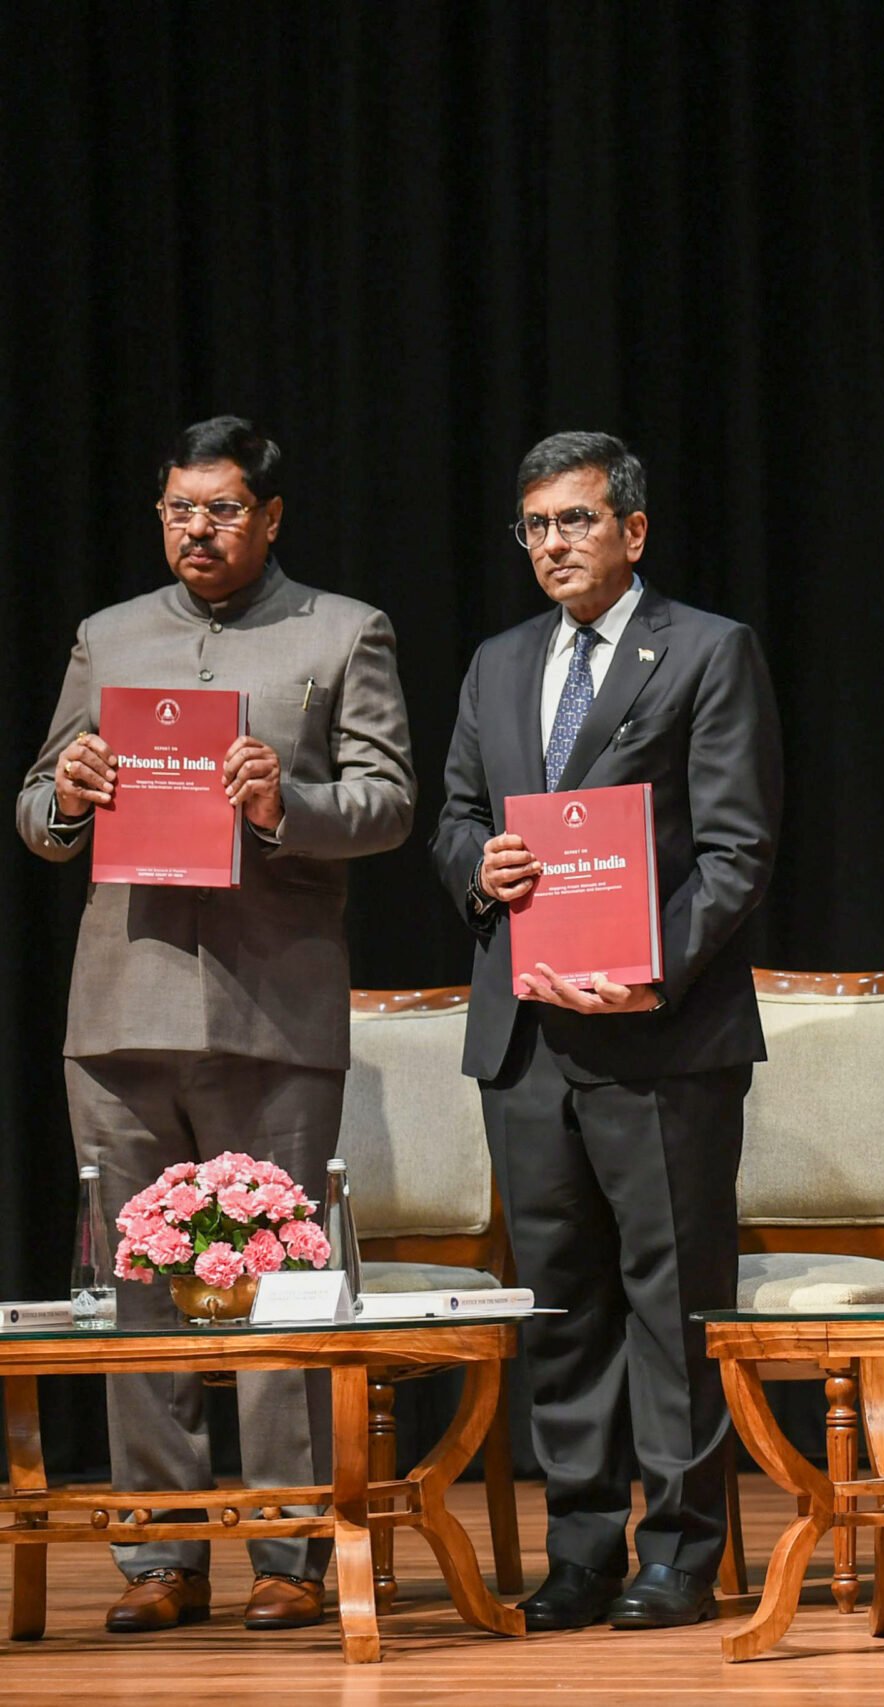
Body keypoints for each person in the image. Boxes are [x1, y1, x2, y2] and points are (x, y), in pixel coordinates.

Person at [15, 416, 416, 1634]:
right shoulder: (110, 635)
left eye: (225, 509)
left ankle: (289, 1551)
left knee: (279, 1288)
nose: (200, 529)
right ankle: (160, 1558)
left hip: (271, 1006)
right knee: (139, 1289)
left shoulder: (342, 632)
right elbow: (35, 806)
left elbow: (389, 803)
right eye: (181, 509)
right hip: (122, 1008)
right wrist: (67, 798)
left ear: (272, 516)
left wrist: (283, 801)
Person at [433, 432, 783, 1631]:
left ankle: (681, 1551)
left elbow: (737, 850)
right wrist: (477, 865)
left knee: (673, 1299)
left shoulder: (706, 649)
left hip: (661, 1032)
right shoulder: (497, 662)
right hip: (526, 1037)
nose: (552, 546)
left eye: (575, 522)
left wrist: (655, 969)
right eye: (535, 527)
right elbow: (456, 816)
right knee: (561, 1303)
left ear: (632, 531)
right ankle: (579, 1549)